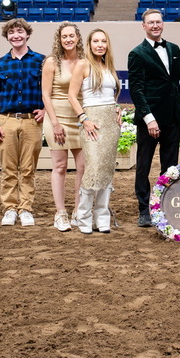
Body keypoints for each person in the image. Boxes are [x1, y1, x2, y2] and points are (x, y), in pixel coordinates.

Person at [128, 9, 180, 227]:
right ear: (144, 26)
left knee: (170, 166)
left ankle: (165, 205)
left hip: (172, 118)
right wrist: (149, 119)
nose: (155, 25)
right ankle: (144, 209)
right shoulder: (137, 53)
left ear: (162, 24)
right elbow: (136, 91)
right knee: (143, 166)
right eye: (151, 22)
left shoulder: (174, 49)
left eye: (158, 22)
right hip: (150, 120)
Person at [0, 17, 47, 227]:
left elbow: (50, 90)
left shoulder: (42, 61)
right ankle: (10, 208)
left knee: (29, 168)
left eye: (20, 31)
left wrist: (46, 109)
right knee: (8, 168)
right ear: (7, 36)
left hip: (32, 121)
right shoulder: (0, 63)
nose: (16, 35)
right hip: (7, 121)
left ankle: (26, 208)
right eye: (12, 32)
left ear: (27, 34)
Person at [67, 28, 123, 234]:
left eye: (103, 41)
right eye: (96, 41)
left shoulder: (108, 66)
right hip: (91, 120)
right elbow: (72, 96)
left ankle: (102, 217)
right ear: (89, 44)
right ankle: (83, 217)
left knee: (107, 169)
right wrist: (84, 119)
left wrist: (117, 107)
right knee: (93, 168)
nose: (100, 45)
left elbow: (109, 95)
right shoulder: (83, 64)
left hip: (110, 122)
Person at [41, 22, 87, 233]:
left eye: (71, 36)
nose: (68, 39)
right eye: (64, 37)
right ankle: (60, 214)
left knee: (83, 168)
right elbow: (45, 95)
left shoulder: (86, 62)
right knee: (59, 167)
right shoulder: (52, 62)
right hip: (57, 117)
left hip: (79, 118)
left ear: (78, 37)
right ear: (59, 40)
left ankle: (78, 211)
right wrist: (55, 122)